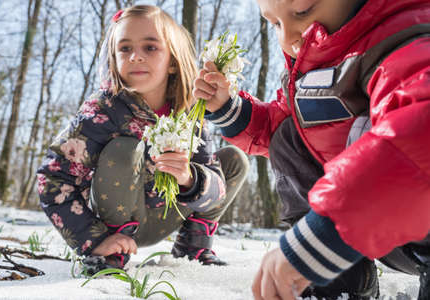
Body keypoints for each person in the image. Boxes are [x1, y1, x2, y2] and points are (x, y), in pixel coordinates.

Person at [194, 0, 430, 299]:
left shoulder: (407, 39)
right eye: (275, 23)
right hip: (368, 229)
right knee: (290, 133)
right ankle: (338, 283)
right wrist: (228, 108)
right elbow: (284, 133)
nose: (287, 37)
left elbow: (417, 137)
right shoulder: (313, 66)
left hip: (414, 216)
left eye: (303, 11)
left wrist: (325, 235)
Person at [37, 5, 249, 274]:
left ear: (172, 61)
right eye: (125, 49)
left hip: (170, 215)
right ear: (114, 58)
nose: (135, 56)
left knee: (234, 160)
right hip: (117, 222)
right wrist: (94, 240)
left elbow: (216, 194)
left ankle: (193, 246)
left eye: (150, 48)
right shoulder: (103, 112)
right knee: (124, 149)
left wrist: (189, 178)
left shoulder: (190, 113)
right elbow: (53, 177)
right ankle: (112, 256)